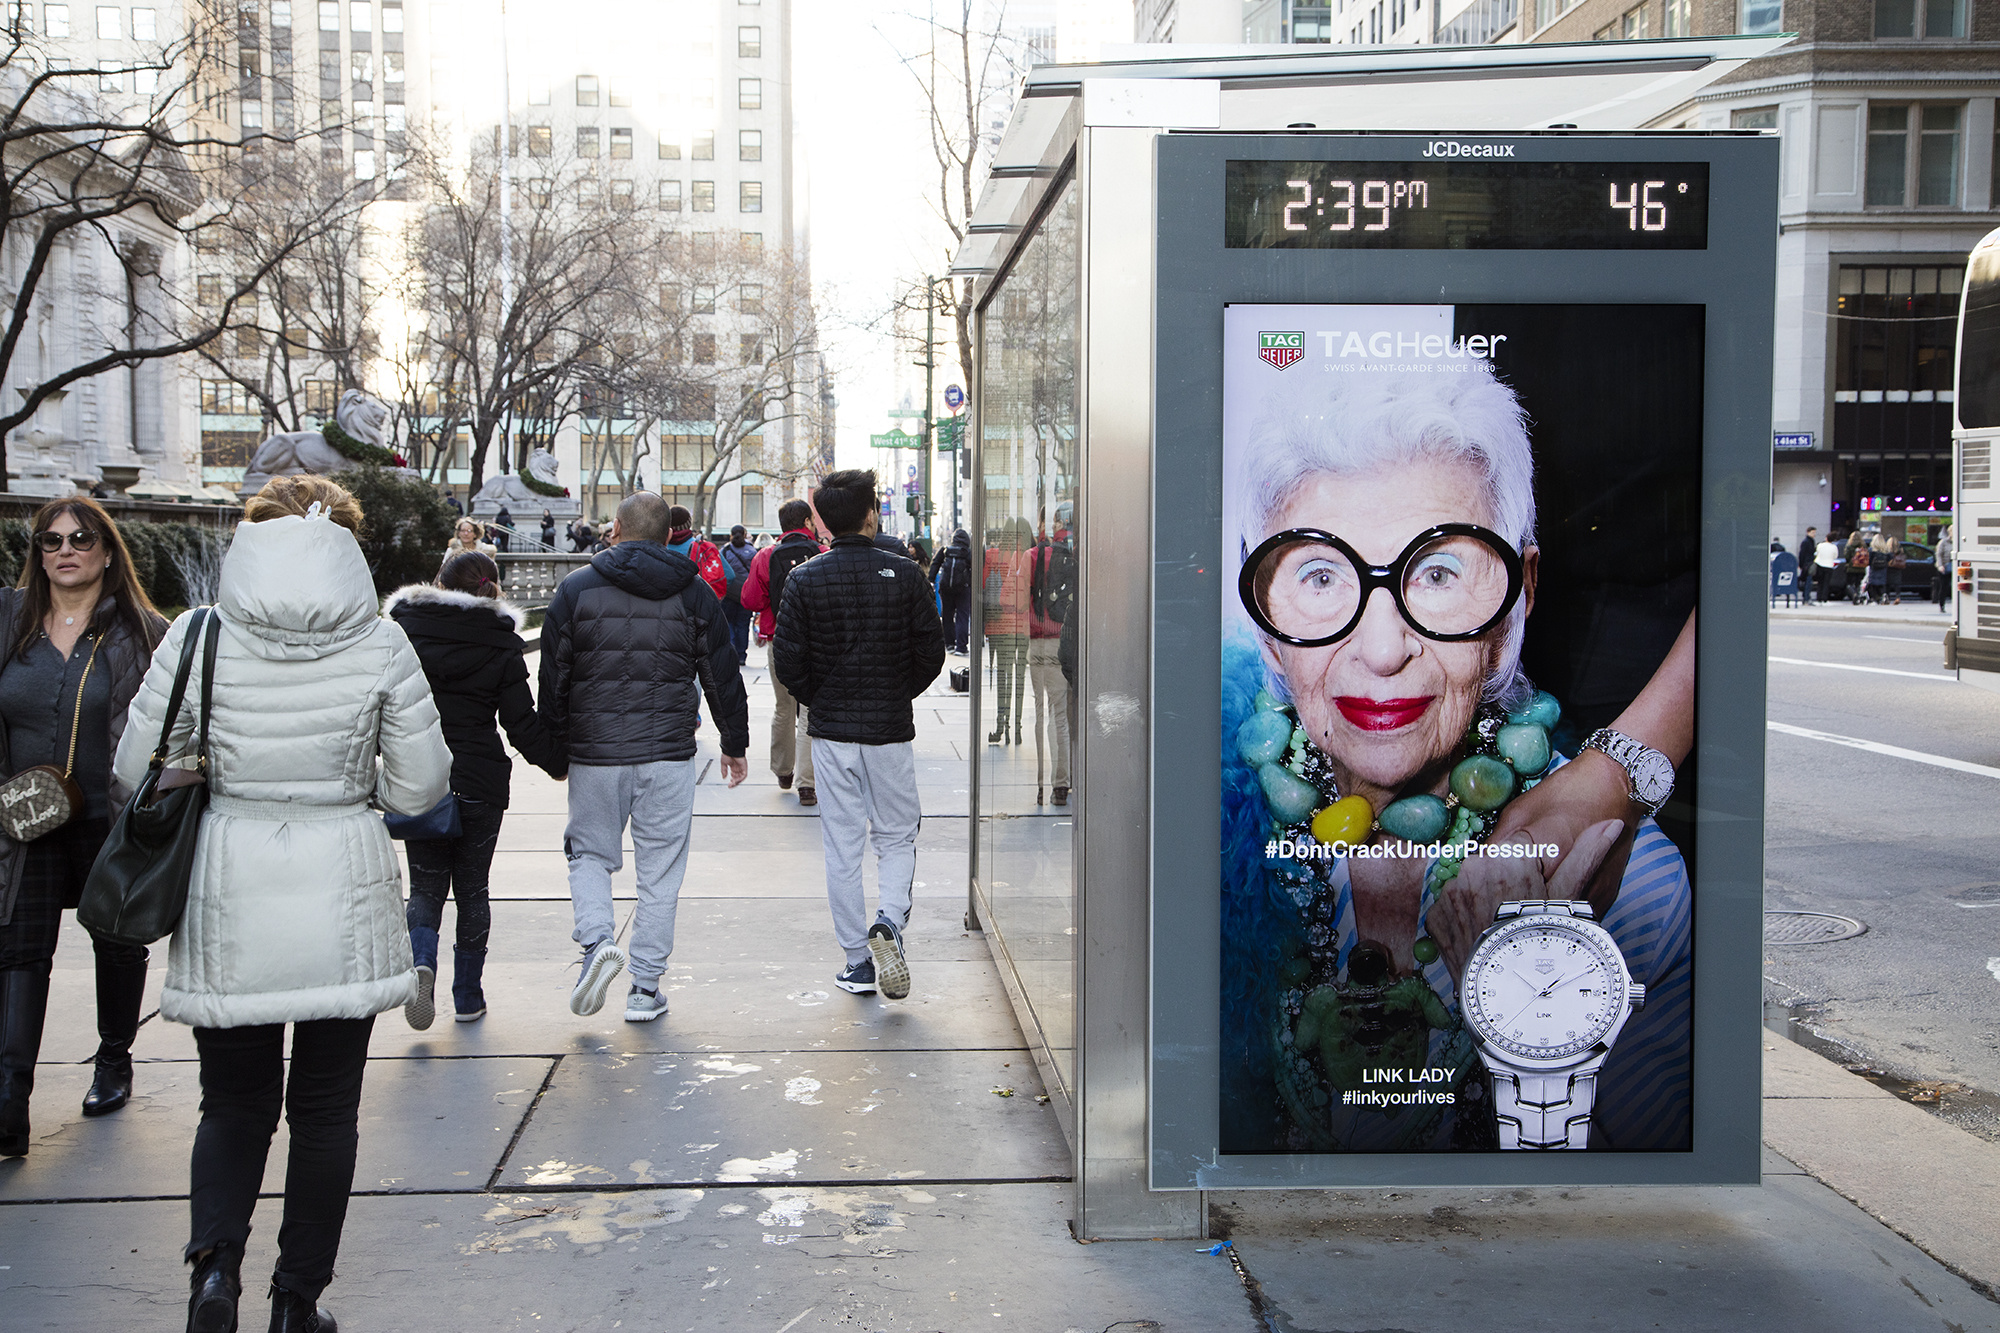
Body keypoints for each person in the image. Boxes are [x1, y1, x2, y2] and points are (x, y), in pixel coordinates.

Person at [1223, 363, 1694, 1153]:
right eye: (1320, 575)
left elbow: (1648, 1212)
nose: (1381, 650)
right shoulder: (1207, 839)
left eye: (1437, 573)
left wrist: (1530, 1009)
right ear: (1265, 615)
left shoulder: (1627, 877)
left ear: (1520, 596)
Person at [115, 474, 450, 1333]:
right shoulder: (380, 642)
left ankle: (213, 1273)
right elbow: (419, 786)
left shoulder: (200, 635)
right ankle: (296, 1298)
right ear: (346, 541)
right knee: (327, 1110)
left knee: (231, 1101)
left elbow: (134, 769)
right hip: (343, 879)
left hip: (231, 882)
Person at [538, 492, 749, 1024]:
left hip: (595, 753)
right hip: (668, 753)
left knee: (588, 854)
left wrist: (554, 750)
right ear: (667, 535)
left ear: (616, 529)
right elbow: (720, 673)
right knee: (660, 871)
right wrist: (733, 743)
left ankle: (596, 945)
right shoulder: (695, 592)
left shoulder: (575, 589)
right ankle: (644, 989)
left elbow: (554, 680)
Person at [0, 499, 168, 1158]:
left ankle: (112, 1060)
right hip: (24, 816)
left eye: (81, 537)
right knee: (18, 950)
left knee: (115, 941)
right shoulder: (9, 619)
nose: (65, 549)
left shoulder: (142, 630)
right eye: (50, 540)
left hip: (110, 816)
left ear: (106, 548)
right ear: (38, 552)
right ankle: (10, 1097)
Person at [773, 470, 945, 1000]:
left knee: (842, 845)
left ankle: (856, 959)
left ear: (821, 518)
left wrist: (822, 699)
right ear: (872, 514)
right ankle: (889, 923)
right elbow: (930, 656)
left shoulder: (804, 579)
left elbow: (789, 664)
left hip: (830, 731)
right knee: (896, 835)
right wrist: (896, 692)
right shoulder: (907, 574)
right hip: (889, 730)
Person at [386, 551, 566, 1028]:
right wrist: (556, 763)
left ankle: (420, 963)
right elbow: (519, 721)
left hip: (421, 777)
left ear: (439, 582)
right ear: (493, 587)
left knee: (424, 885)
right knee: (472, 889)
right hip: (480, 779)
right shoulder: (499, 641)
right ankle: (468, 997)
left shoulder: (403, 632)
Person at [741, 500, 824, 806]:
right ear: (806, 521)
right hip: (815, 643)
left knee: (783, 707)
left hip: (780, 640)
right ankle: (807, 782)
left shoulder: (766, 556)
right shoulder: (821, 554)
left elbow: (750, 599)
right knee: (808, 710)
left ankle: (783, 771)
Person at [1028, 526, 1075, 806]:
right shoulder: (1073, 557)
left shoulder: (1031, 556)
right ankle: (1061, 785)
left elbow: (1017, 600)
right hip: (1062, 638)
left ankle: (1040, 786)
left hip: (1037, 641)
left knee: (1039, 712)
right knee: (1060, 715)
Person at [981, 519, 1033, 744]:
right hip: (1023, 626)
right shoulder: (1031, 555)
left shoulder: (993, 555)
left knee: (1003, 676)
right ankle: (1018, 728)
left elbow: (983, 584)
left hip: (1000, 625)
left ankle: (1002, 724)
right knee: (1020, 677)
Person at [664, 505, 728, 601]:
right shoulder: (705, 549)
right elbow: (730, 576)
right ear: (689, 523)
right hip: (697, 606)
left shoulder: (656, 549)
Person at [718, 524, 757, 666]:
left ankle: (732, 650)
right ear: (745, 534)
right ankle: (742, 655)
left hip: (729, 593)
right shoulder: (752, 551)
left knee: (729, 622)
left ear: (731, 535)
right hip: (746, 592)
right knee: (743, 624)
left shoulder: (725, 550)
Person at [933, 528, 973, 655]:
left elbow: (935, 563)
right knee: (962, 616)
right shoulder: (967, 552)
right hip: (963, 588)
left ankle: (949, 644)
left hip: (946, 588)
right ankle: (961, 647)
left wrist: (930, 580)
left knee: (947, 615)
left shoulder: (945, 550)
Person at [1814, 527, 1842, 604]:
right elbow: (1835, 556)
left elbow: (1817, 553)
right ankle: (1824, 598)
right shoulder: (1834, 547)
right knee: (1826, 583)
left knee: (1820, 582)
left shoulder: (1820, 545)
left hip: (1820, 564)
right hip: (1829, 565)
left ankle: (1818, 597)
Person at [1868, 529, 1896, 604]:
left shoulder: (1871, 550)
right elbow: (1891, 558)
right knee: (1882, 583)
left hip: (1874, 568)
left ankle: (1874, 598)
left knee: (1873, 584)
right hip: (1883, 569)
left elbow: (1868, 560)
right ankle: (1884, 595)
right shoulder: (1886, 550)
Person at [1795, 527, 1818, 604]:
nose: (1814, 534)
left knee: (1808, 581)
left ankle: (1806, 598)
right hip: (1807, 564)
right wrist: (1801, 564)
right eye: (1812, 532)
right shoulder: (1806, 542)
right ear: (1808, 532)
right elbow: (1802, 554)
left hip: (1807, 563)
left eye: (1814, 533)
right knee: (1808, 581)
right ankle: (1806, 598)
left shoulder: (1810, 541)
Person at [1935, 524, 1953, 610]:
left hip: (1955, 566)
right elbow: (1938, 554)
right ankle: (1942, 604)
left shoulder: (1959, 542)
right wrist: (1940, 566)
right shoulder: (1944, 542)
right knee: (1944, 586)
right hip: (1945, 566)